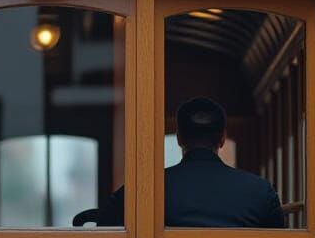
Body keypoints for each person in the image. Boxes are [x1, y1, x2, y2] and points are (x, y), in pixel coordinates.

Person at [89, 98, 285, 228]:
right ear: (223, 139)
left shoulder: (145, 190)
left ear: (179, 138)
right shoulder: (259, 190)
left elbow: (107, 233)